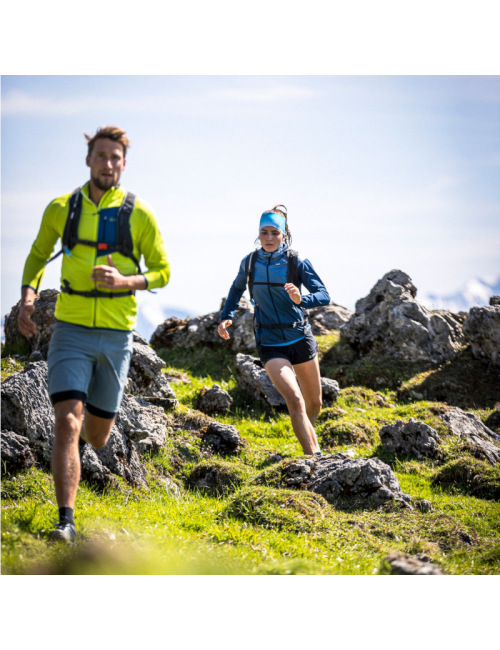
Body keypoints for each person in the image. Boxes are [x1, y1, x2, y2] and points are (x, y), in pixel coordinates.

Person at [17, 126, 170, 543]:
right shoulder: (62, 208)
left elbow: (162, 272)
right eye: (100, 156)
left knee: (97, 433)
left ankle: (82, 445)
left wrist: (124, 281)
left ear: (124, 162)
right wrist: (28, 297)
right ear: (89, 159)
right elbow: (35, 255)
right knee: (67, 420)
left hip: (117, 336)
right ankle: (65, 521)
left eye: (115, 158)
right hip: (70, 329)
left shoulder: (140, 214)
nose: (107, 164)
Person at [218, 205, 330, 455]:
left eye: (275, 233)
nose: (269, 238)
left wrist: (303, 300)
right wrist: (226, 317)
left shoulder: (296, 261)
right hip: (269, 342)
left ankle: (308, 440)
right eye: (264, 232)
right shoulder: (249, 263)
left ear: (284, 235)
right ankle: (315, 459)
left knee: (314, 402)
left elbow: (323, 295)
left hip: (300, 337)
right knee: (295, 399)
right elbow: (237, 290)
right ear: (258, 234)